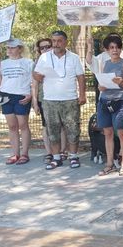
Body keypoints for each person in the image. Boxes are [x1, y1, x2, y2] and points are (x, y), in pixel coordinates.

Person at [33, 30, 86, 170]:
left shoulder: (74, 57)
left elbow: (81, 77)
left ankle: (73, 156)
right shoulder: (44, 58)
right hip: (50, 100)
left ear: (65, 42)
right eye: (54, 41)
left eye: (59, 41)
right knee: (53, 130)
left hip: (70, 99)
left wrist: (82, 95)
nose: (56, 44)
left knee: (73, 129)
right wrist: (38, 76)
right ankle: (56, 158)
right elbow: (36, 75)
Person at [95, 35, 123, 176]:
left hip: (120, 101)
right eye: (111, 48)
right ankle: (109, 163)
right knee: (108, 133)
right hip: (105, 101)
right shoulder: (104, 63)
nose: (114, 50)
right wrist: (101, 87)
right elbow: (101, 83)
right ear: (107, 50)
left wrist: (121, 82)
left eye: (117, 47)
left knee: (122, 133)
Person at [0, 39, 34, 165]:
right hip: (6, 96)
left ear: (20, 49)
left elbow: (34, 82)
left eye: (13, 47)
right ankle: (15, 153)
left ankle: (25, 153)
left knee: (23, 125)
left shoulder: (28, 62)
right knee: (12, 126)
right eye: (8, 48)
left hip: (21, 96)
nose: (9, 50)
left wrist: (31, 95)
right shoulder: (3, 63)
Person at [32, 38, 67, 164]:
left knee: (61, 126)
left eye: (48, 46)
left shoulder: (62, 59)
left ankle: (62, 151)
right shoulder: (37, 63)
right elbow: (34, 85)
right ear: (39, 50)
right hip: (44, 99)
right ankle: (49, 152)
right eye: (42, 48)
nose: (45, 49)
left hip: (61, 97)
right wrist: (35, 102)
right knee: (46, 126)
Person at [86, 32, 123, 101]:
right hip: (105, 98)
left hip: (122, 98)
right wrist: (89, 47)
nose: (114, 49)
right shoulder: (102, 57)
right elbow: (90, 62)